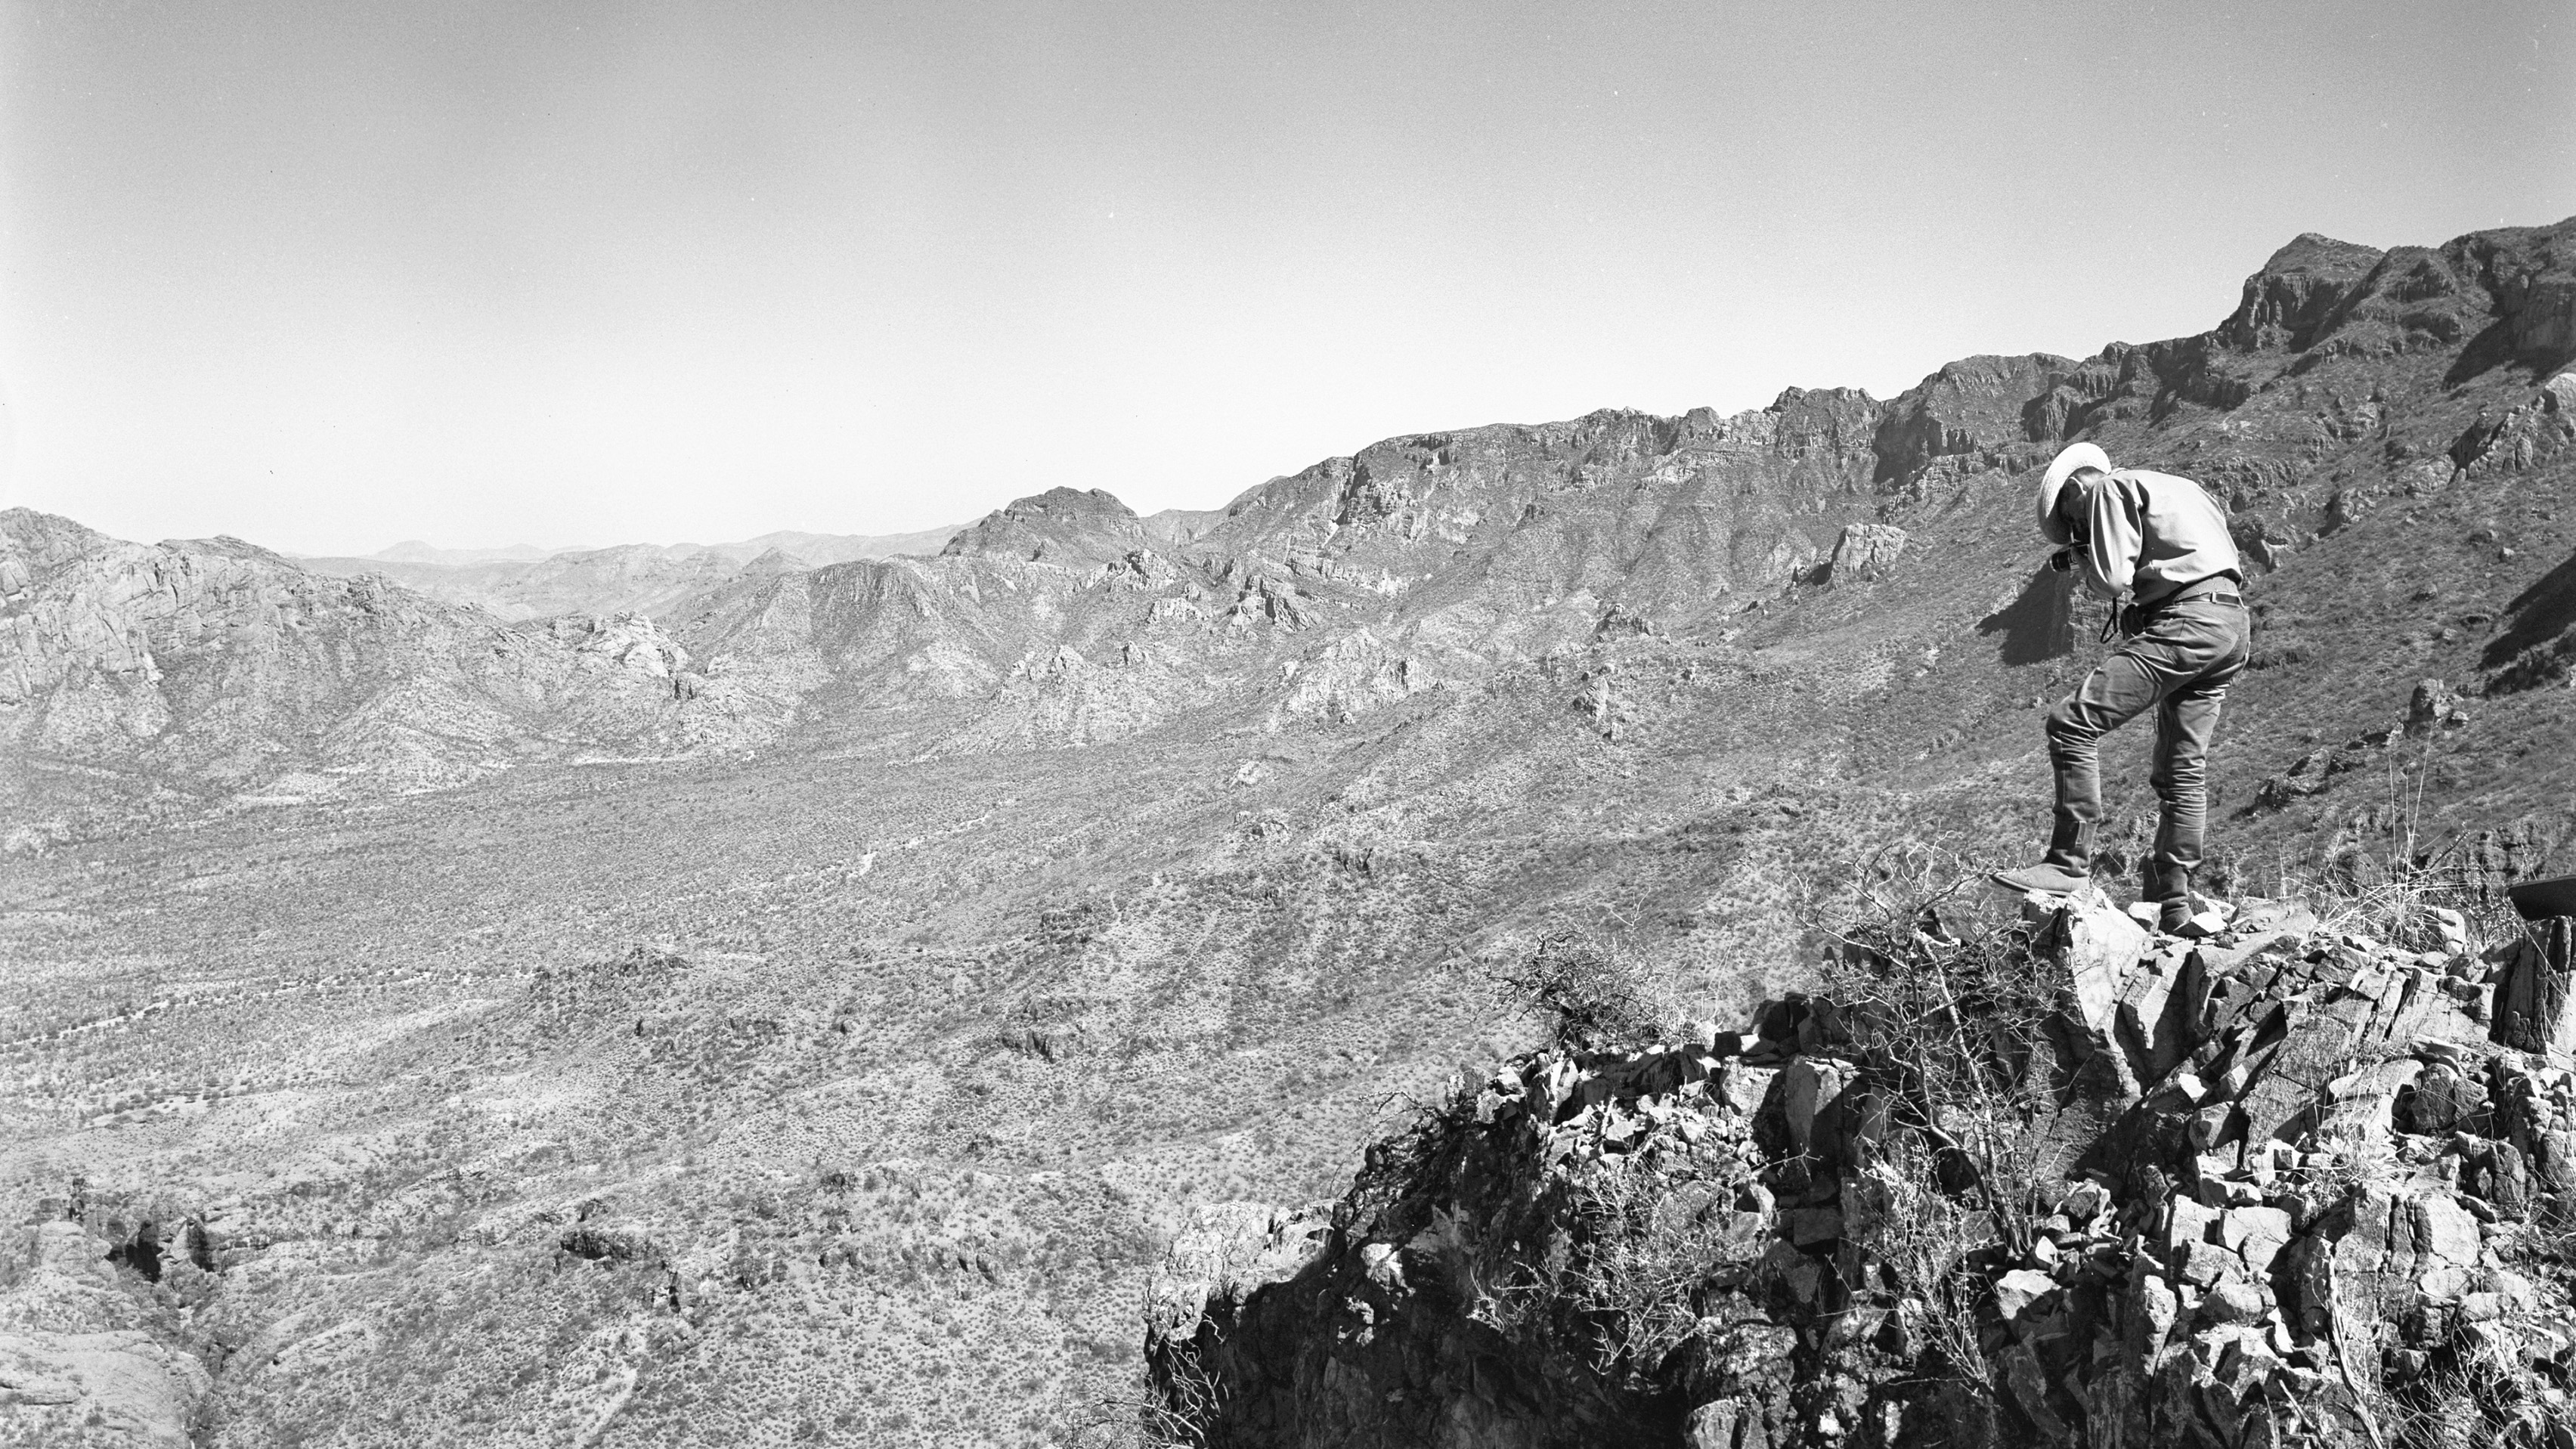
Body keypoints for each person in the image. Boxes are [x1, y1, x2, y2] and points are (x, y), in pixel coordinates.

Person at [1992, 442, 2250, 932]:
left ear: (2075, 488)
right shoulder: (2181, 488)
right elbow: (2192, 563)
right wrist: (2147, 609)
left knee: (2071, 721)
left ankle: (2067, 864)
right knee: (2182, 769)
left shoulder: (2107, 489)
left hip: (2191, 623)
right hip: (2230, 623)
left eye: (2072, 519)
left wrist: (2087, 563)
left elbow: (2112, 580)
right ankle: (2175, 905)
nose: (2079, 528)